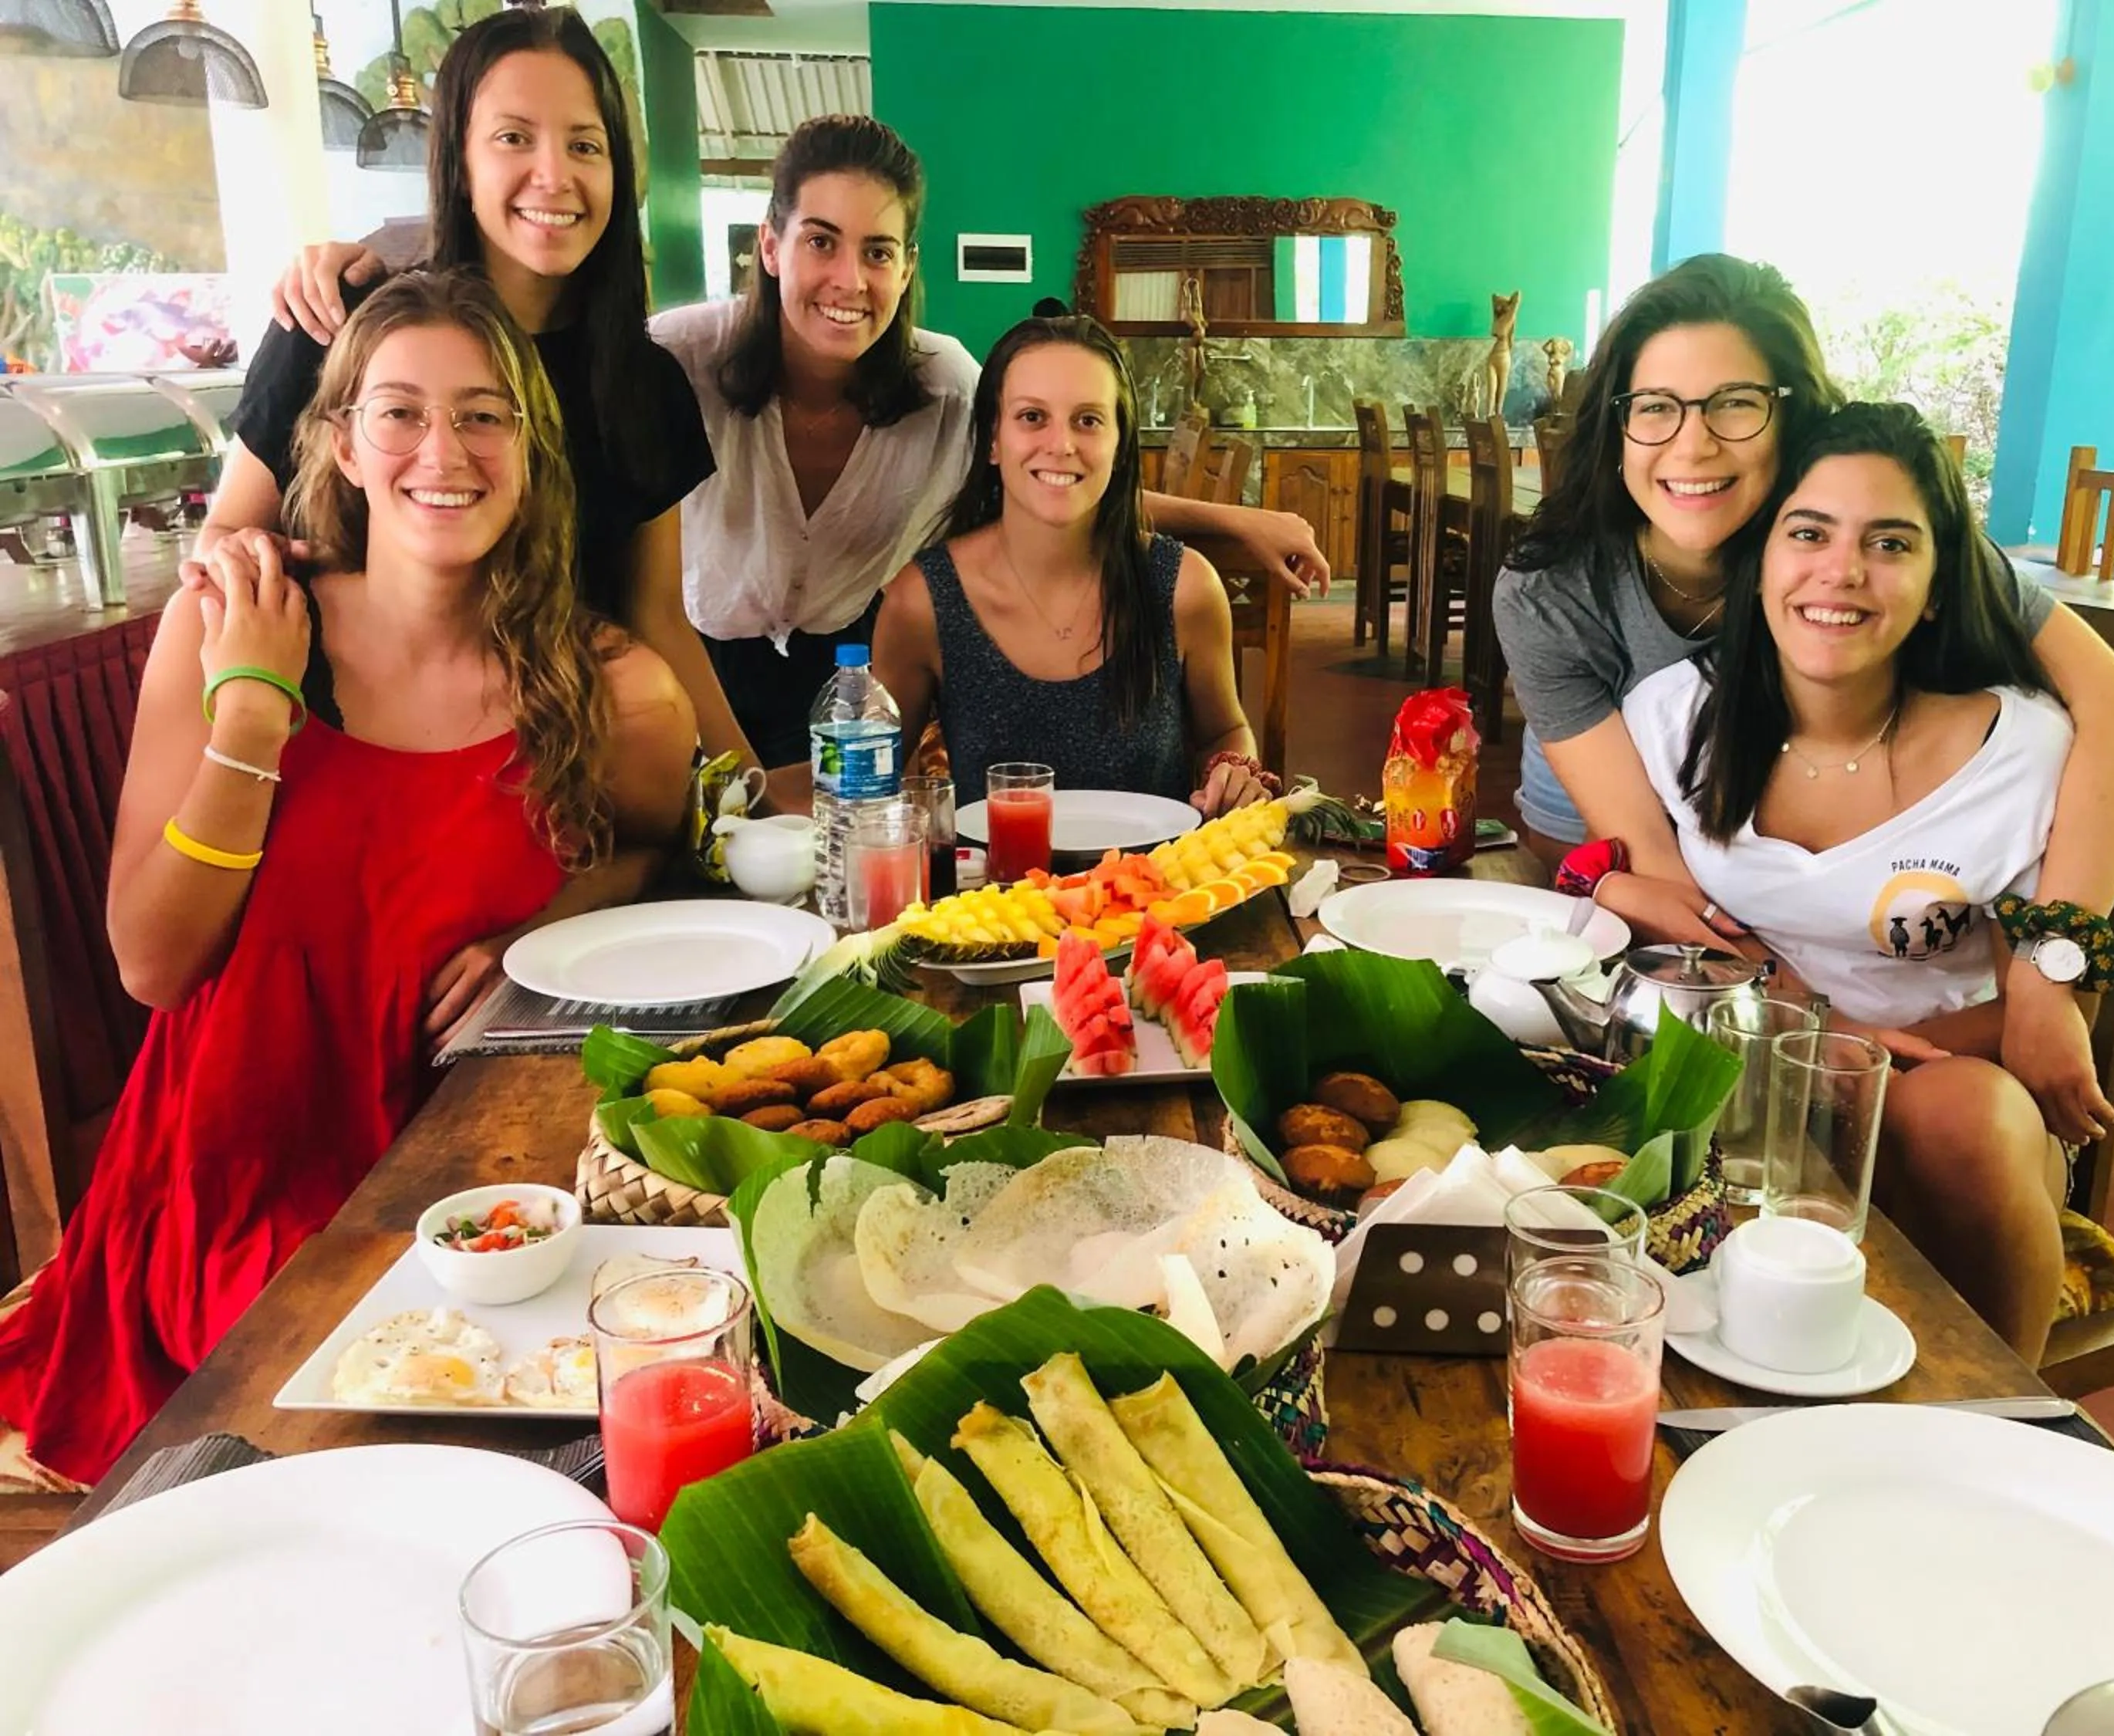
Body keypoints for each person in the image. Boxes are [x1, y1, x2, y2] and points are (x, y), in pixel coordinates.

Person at [0, 272, 696, 1485]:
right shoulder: (233, 623)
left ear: (531, 451)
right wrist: (254, 715)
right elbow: (154, 964)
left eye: (485, 415)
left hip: (482, 1174)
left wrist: (549, 923)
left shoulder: (605, 680)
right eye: (400, 413)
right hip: (238, 1182)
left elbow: (658, 849)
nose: (445, 449)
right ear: (338, 441)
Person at [1492, 253, 2114, 1150]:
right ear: (1616, 429)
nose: (1692, 446)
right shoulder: (1555, 592)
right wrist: (1813, 1027)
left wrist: (2050, 975)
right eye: (1654, 407)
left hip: (1829, 894)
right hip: (1615, 853)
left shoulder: (1860, 550)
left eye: (1734, 403)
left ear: (1794, 420)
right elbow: (1660, 875)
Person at [1620, 404, 2114, 1359]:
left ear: (1936, 589)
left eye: (1890, 544)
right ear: (1762, 560)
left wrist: (1857, 1064)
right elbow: (1623, 890)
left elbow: (2041, 1009)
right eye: (1808, 534)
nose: (1842, 573)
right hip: (1743, 1082)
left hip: (1948, 1102)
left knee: (1958, 1114)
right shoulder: (1674, 716)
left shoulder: (2018, 748)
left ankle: (2000, 1412)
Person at [641, 114, 1330, 770]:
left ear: (907, 267)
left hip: (850, 671)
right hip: (691, 662)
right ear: (770, 245)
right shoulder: (674, 360)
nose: (849, 280)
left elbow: (1056, 478)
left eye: (877, 251)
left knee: (816, 856)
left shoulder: (943, 384)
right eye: (821, 241)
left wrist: (1238, 521)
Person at [215, 5, 748, 768]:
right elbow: (227, 539)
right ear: (460, 162)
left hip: (563, 780)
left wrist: (752, 799)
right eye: (513, 137)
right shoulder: (343, 326)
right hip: (330, 755)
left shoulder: (643, 380)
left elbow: (655, 615)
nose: (554, 175)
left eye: (585, 145)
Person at [870, 315, 1271, 812]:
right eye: (1032, 417)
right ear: (993, 439)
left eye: (1088, 420)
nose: (1061, 446)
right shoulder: (922, 601)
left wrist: (1231, 770)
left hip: (1159, 887)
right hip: (995, 889)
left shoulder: (1185, 588)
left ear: (1120, 445)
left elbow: (1225, 731)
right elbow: (870, 779)